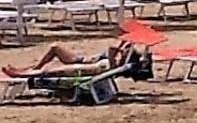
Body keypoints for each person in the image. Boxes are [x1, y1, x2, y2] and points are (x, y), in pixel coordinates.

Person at [4, 42, 132, 79]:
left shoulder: (114, 64)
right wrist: (123, 46)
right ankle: (25, 70)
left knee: (49, 67)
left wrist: (120, 50)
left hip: (80, 65)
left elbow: (111, 49)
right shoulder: (116, 60)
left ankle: (21, 74)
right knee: (53, 53)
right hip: (80, 61)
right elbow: (115, 48)